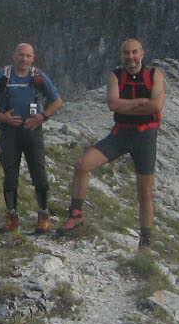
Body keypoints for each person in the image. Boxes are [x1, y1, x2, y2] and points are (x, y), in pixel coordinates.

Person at [59, 38, 166, 252]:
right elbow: (113, 104)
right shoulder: (116, 75)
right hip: (121, 133)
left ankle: (146, 239)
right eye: (126, 53)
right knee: (82, 164)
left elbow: (156, 106)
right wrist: (141, 102)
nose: (130, 57)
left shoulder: (155, 74)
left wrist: (128, 106)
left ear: (142, 53)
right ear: (122, 55)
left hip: (145, 137)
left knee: (144, 189)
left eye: (134, 52)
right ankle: (76, 215)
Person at [0, 42, 64, 232]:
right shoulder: (2, 76)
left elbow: (57, 101)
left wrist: (43, 117)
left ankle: (43, 215)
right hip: (9, 131)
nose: (24, 59)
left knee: (39, 171)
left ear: (33, 58)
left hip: (32, 130)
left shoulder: (38, 77)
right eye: (21, 55)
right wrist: (2, 117)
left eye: (28, 56)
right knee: (10, 172)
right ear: (13, 56)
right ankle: (12, 216)